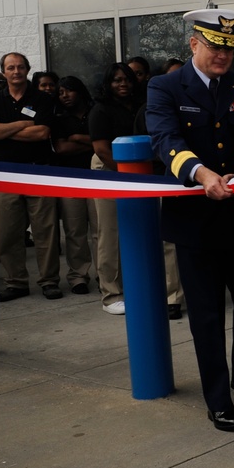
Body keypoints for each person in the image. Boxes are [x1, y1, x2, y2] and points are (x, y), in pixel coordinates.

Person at [147, 9, 234, 432]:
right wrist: (202, 174)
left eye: (230, 47)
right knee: (207, 315)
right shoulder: (165, 86)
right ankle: (219, 397)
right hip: (195, 219)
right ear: (193, 44)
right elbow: (165, 140)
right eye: (215, 47)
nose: (224, 56)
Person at [0, 52, 62, 301]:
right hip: (5, 173)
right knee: (8, 233)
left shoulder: (42, 98)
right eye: (10, 67)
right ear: (4, 72)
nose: (15, 71)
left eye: (20, 67)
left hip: (38, 170)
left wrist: (3, 131)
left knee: (45, 231)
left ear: (27, 69)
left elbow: (42, 133)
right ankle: (16, 283)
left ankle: (49, 281)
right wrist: (23, 124)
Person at [89, 63, 140, 314]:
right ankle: (110, 294)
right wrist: (126, 176)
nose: (123, 84)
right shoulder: (101, 109)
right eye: (116, 80)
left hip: (139, 174)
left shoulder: (141, 105)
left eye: (127, 79)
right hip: (109, 170)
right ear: (107, 83)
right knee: (109, 233)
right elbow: (101, 149)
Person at [53, 76, 96, 295]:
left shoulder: (95, 111)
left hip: (98, 178)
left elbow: (103, 142)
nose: (64, 96)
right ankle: (78, 276)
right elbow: (61, 149)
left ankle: (106, 275)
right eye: (60, 93)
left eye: (68, 91)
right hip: (70, 179)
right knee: (74, 230)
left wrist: (78, 137)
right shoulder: (59, 117)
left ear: (79, 91)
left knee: (101, 231)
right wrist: (91, 143)